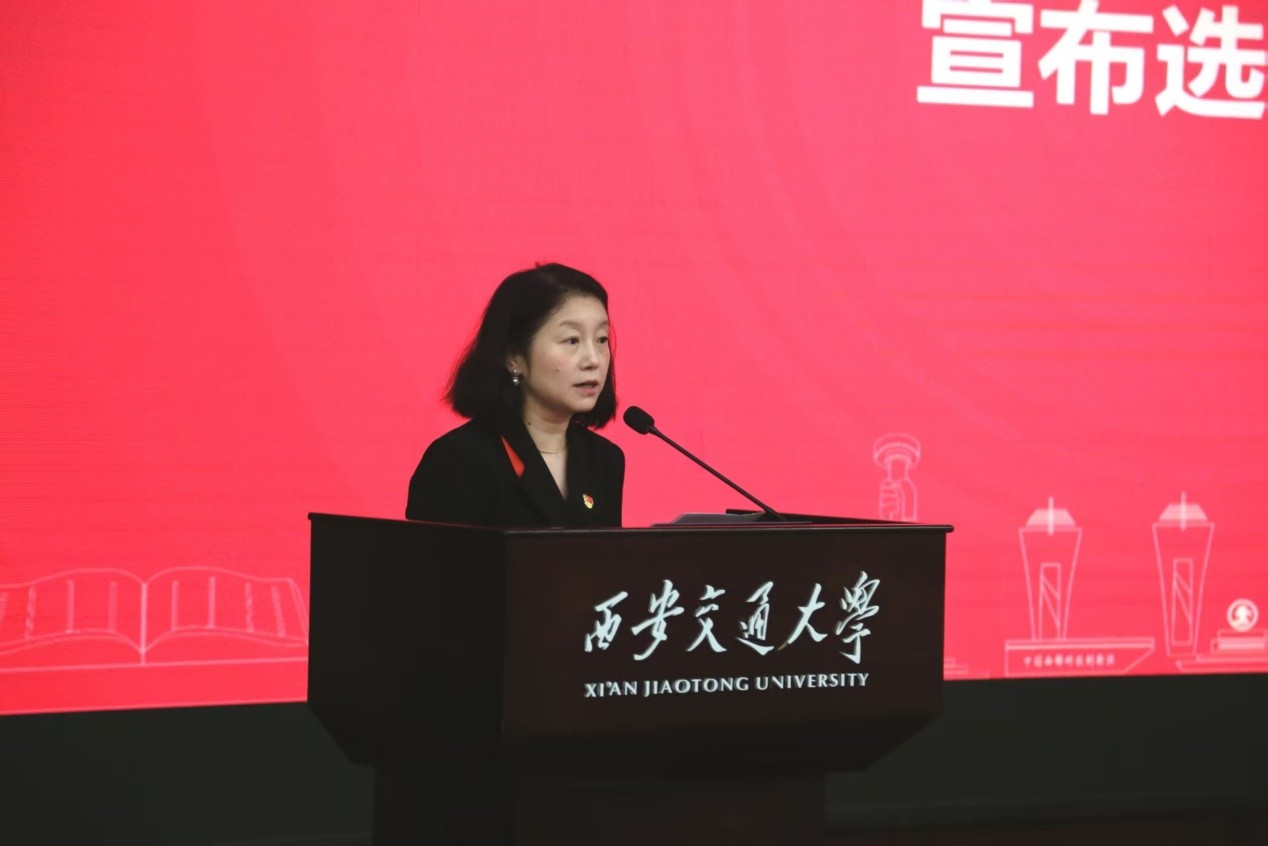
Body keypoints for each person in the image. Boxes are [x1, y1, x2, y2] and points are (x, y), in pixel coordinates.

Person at [406, 262, 624, 527]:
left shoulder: (604, 459)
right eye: (572, 340)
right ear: (514, 357)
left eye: (601, 339)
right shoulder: (459, 461)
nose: (594, 360)